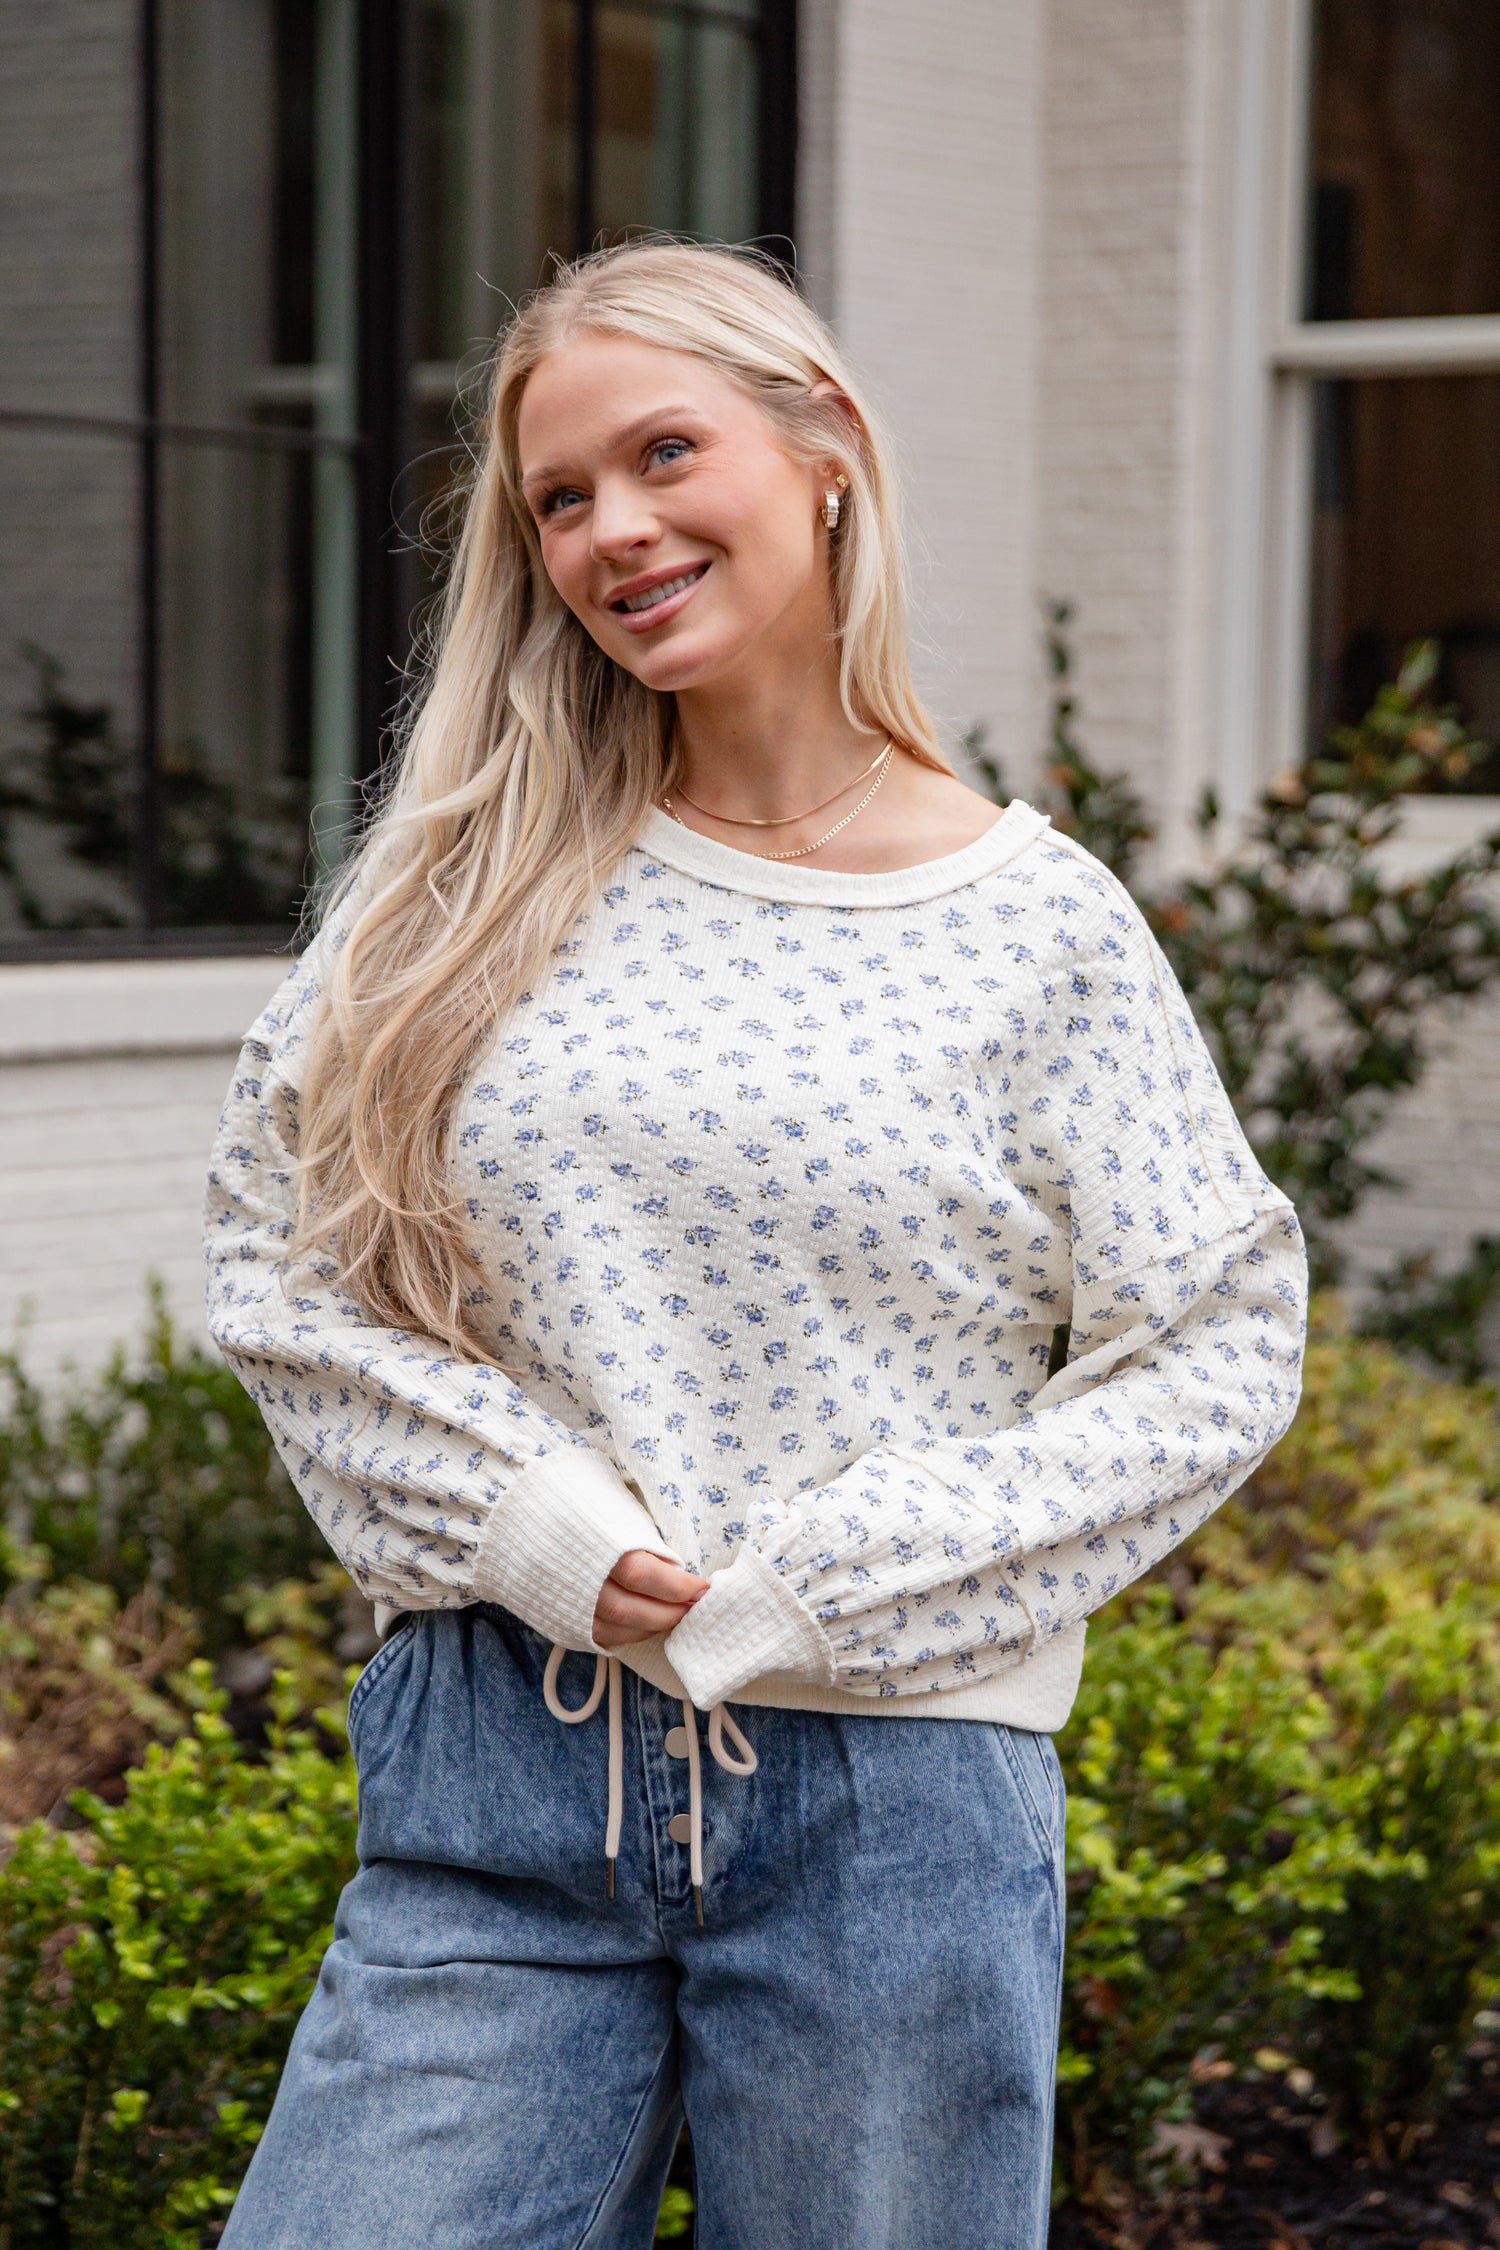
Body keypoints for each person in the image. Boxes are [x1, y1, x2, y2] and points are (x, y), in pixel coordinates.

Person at [205, 241, 1306, 2250]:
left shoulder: (1034, 927)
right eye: (559, 498)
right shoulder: (456, 889)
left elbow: (1219, 1337)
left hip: (894, 1814)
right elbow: (278, 1266)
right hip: (500, 1773)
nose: (611, 530)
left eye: (662, 454)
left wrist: (846, 1577)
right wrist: (532, 1522)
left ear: (824, 452)